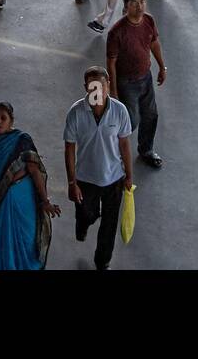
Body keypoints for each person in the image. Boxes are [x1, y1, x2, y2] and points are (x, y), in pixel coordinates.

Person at [63, 66, 133, 271]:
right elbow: (69, 148)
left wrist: (129, 175)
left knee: (109, 224)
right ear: (86, 87)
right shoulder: (76, 112)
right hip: (85, 179)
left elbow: (124, 145)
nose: (97, 92)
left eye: (100, 86)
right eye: (92, 87)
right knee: (87, 213)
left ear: (108, 84)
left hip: (114, 178)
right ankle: (83, 223)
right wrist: (71, 182)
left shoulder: (120, 111)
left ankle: (102, 261)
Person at [0, 101, 60, 271]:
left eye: (3, 118)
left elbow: (34, 170)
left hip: (21, 198)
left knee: (25, 240)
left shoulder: (21, 140)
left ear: (11, 121)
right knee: (3, 242)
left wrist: (45, 200)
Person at [106, 0, 166, 168]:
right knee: (130, 121)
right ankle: (115, 155)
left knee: (151, 115)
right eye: (134, 3)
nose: (139, 6)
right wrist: (114, 90)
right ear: (126, 7)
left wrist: (161, 67)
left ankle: (146, 149)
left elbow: (154, 43)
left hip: (145, 77)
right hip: (127, 82)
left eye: (142, 2)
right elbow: (111, 62)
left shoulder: (148, 21)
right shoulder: (117, 32)